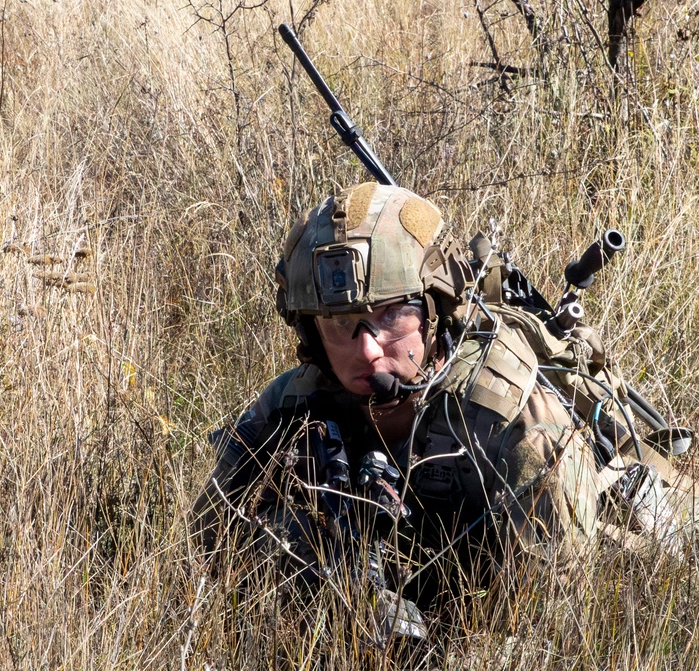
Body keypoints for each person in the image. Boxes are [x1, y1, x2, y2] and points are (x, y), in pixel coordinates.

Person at [191, 182, 615, 642]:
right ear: (311, 334)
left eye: (391, 316)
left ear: (434, 312)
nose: (367, 351)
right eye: (338, 325)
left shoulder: (518, 421)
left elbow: (549, 621)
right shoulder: (295, 404)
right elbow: (211, 544)